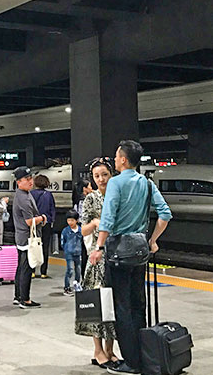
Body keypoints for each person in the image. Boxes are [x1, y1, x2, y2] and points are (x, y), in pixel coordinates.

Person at [89, 140, 172, 375]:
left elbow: (108, 217)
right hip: (140, 251)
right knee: (139, 304)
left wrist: (99, 247)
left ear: (123, 160)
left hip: (118, 252)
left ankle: (131, 362)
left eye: (116, 157)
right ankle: (144, 356)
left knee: (122, 308)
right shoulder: (146, 183)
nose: (115, 160)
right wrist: (152, 240)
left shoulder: (116, 182)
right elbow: (165, 214)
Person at [75, 157, 119, 369]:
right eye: (97, 176)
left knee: (113, 304)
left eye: (104, 175)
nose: (101, 179)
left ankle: (111, 349)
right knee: (97, 304)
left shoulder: (117, 194)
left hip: (116, 255)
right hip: (96, 258)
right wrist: (94, 223)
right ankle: (98, 350)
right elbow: (81, 230)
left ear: (111, 174)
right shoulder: (90, 200)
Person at [11, 166, 46, 309]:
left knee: (21, 268)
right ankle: (25, 299)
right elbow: (29, 221)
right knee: (26, 268)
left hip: (21, 237)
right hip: (27, 238)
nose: (30, 181)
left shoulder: (23, 194)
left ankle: (18, 295)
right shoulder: (23, 198)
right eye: (27, 179)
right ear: (19, 182)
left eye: (30, 178)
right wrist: (42, 218)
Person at [30, 174, 56, 279]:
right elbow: (52, 209)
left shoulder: (31, 194)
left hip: (34, 223)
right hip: (46, 223)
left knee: (33, 245)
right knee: (45, 247)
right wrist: (52, 221)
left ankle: (32, 271)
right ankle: (43, 272)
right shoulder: (48, 195)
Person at [60, 209, 82, 296]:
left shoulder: (80, 230)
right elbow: (62, 242)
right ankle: (67, 287)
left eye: (72, 220)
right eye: (68, 220)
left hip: (78, 252)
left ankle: (77, 285)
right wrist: (66, 249)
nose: (70, 222)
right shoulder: (65, 231)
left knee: (78, 270)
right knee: (70, 270)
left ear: (76, 220)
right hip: (69, 253)